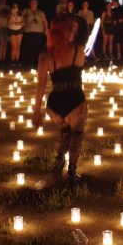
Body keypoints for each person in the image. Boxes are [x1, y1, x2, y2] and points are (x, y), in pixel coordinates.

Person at [33, 14, 88, 184]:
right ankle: (71, 171)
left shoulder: (44, 55)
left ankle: (58, 163)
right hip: (75, 100)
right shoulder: (78, 49)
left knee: (64, 134)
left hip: (55, 104)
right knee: (76, 135)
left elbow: (41, 86)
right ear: (68, 31)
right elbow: (81, 35)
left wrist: (37, 111)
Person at [22, 0, 48, 66]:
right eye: (32, 3)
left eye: (35, 3)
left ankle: (37, 62)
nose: (33, 4)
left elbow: (45, 21)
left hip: (38, 32)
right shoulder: (26, 11)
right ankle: (29, 63)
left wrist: (46, 29)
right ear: (30, 4)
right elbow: (20, 16)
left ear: (37, 4)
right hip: (29, 31)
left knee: (38, 47)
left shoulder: (40, 12)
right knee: (29, 47)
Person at [0, 0, 11, 64]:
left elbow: (9, 15)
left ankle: (4, 58)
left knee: (6, 42)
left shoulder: (8, 7)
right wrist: (5, 14)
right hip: (0, 25)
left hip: (7, 26)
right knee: (1, 42)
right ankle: (0, 58)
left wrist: (4, 14)